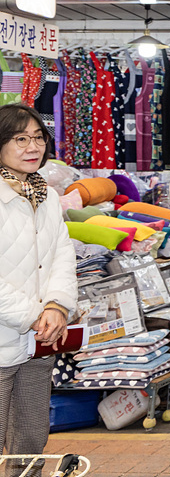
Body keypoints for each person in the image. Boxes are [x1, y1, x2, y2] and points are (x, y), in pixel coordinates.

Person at [0, 104, 77, 475]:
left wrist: (58, 306)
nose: (33, 147)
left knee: (31, 438)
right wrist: (34, 315)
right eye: (20, 139)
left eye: (37, 138)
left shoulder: (43, 194)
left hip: (38, 341)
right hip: (6, 335)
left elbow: (63, 252)